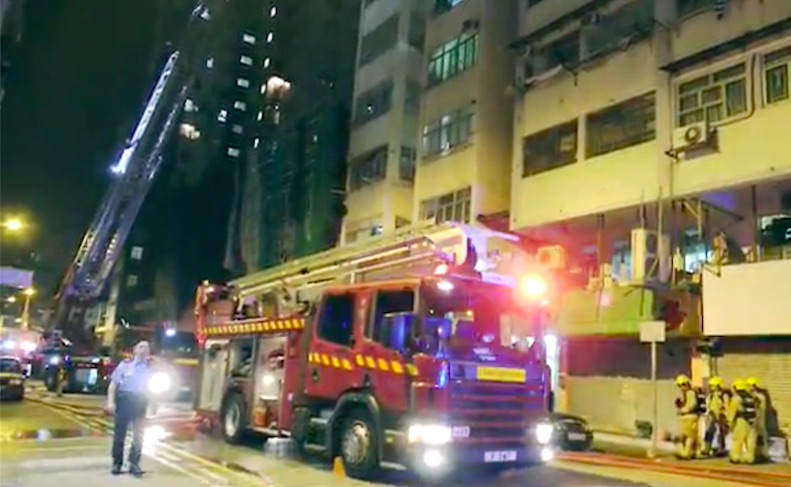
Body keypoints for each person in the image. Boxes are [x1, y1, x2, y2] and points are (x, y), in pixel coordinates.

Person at [106, 340, 152, 477]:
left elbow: (151, 389)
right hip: (125, 401)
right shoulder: (125, 366)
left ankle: (134, 463)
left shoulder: (150, 368)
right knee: (120, 434)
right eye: (141, 347)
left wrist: (153, 405)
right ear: (135, 350)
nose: (144, 349)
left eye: (147, 347)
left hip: (140, 402)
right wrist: (110, 402)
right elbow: (113, 386)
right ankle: (117, 463)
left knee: (139, 435)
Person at [727, 379, 758, 464]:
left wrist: (729, 423)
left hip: (741, 421)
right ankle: (750, 457)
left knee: (738, 439)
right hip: (752, 421)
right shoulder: (751, 397)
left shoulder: (736, 398)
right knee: (750, 440)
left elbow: (732, 412)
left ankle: (735, 457)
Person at [674, 374, 701, 460]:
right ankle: (691, 452)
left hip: (690, 417)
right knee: (687, 436)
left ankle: (686, 453)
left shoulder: (690, 393)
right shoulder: (685, 394)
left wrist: (683, 410)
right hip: (686, 418)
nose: (681, 387)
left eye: (682, 385)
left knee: (689, 436)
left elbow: (692, 405)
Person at [700, 376, 729, 457]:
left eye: (712, 386)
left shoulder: (723, 395)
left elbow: (726, 406)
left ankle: (721, 449)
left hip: (720, 415)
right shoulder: (711, 395)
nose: (711, 387)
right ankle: (707, 448)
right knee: (709, 432)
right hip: (711, 415)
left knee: (721, 433)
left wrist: (725, 415)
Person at [746, 377, 770, 461]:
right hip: (760, 419)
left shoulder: (756, 397)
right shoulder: (761, 396)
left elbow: (756, 408)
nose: (747, 388)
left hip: (757, 419)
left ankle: (753, 455)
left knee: (753, 438)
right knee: (761, 438)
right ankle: (762, 454)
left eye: (748, 386)